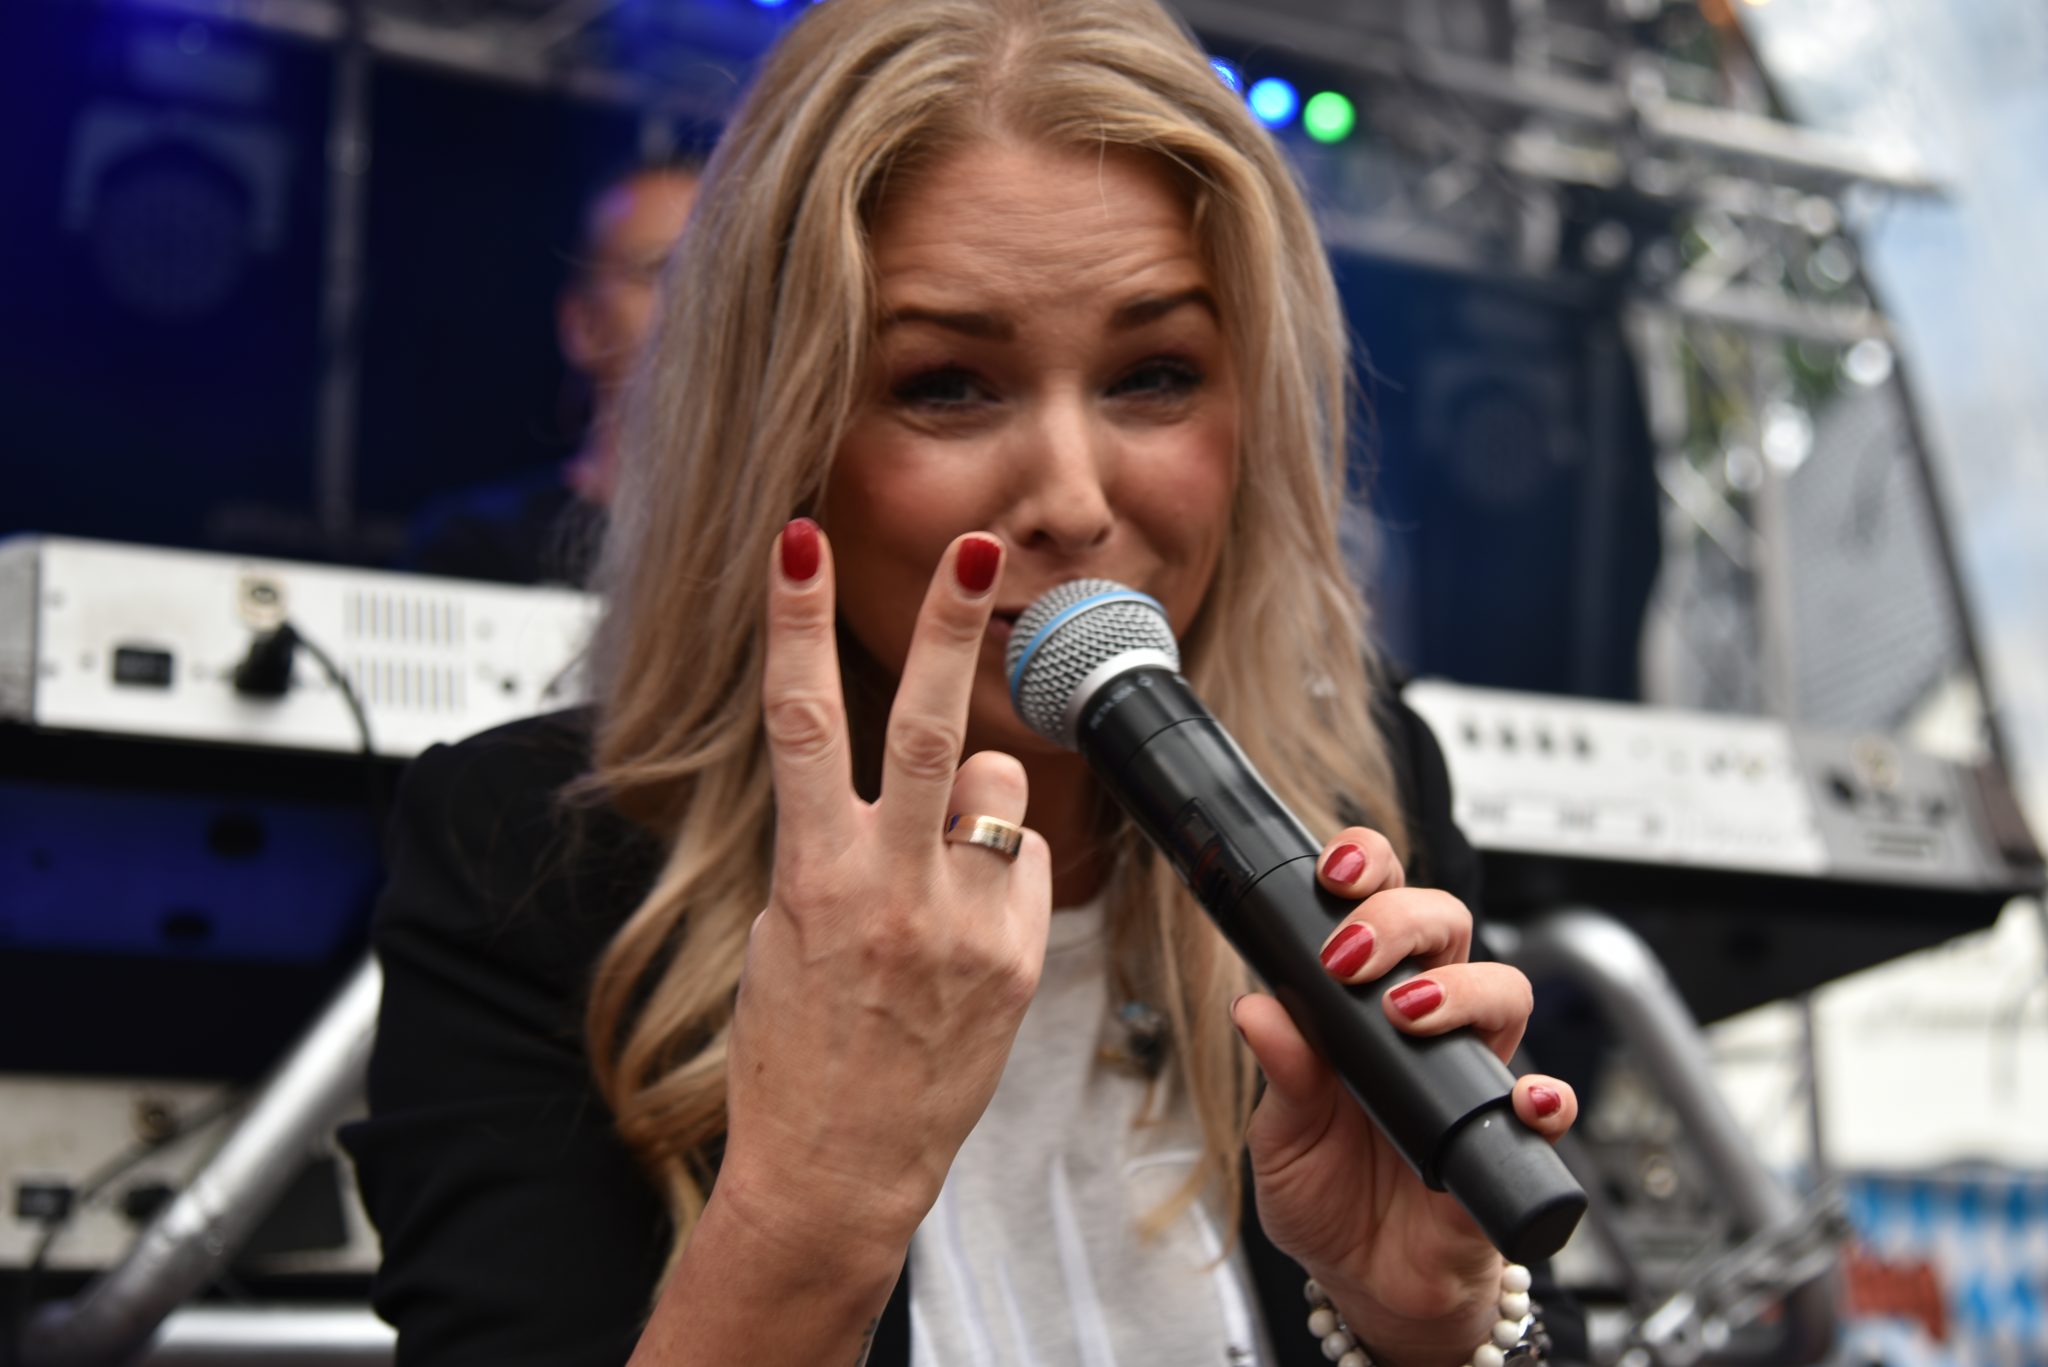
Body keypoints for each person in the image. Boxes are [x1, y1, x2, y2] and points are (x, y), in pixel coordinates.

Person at [343, 1, 1588, 1364]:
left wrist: (1434, 1327)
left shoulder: (1356, 793)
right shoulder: (532, 862)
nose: (1071, 497)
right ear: (780, 432)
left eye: (1155, 374)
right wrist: (810, 1209)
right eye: (946, 385)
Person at [403, 159, 701, 584]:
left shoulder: (757, 548)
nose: (692, 296)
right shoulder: (477, 548)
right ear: (583, 325)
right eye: (657, 269)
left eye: (712, 272)